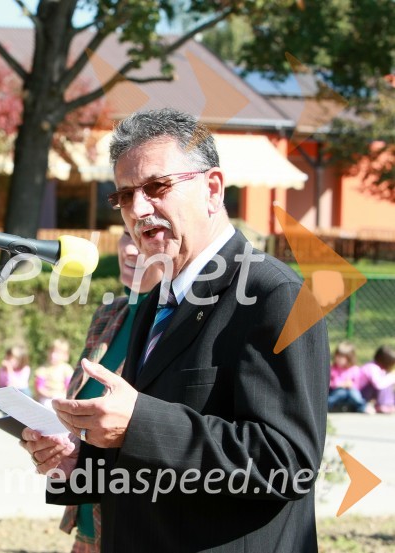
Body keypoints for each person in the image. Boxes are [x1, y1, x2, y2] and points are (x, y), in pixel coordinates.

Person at [22, 108, 330, 552]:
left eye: (156, 187)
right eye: (124, 196)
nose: (138, 209)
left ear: (212, 189)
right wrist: (81, 462)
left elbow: (286, 463)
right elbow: (154, 456)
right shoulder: (157, 300)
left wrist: (137, 422)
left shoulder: (274, 294)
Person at [61, 230, 162, 552]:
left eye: (143, 237)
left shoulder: (172, 323)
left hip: (135, 527)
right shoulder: (109, 313)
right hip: (87, 520)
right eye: (126, 235)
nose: (130, 250)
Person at [328, 342, 368, 413]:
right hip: (337, 392)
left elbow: (358, 384)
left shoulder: (355, 369)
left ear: (349, 358)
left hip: (351, 393)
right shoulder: (333, 369)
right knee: (341, 392)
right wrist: (339, 385)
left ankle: (362, 407)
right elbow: (329, 383)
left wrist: (351, 385)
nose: (339, 359)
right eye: (337, 356)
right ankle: (327, 405)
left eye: (342, 357)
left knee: (354, 393)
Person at [34, 339, 74, 407]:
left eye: (57, 353)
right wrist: (50, 395)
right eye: (51, 351)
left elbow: (69, 387)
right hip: (46, 399)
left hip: (61, 397)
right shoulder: (42, 369)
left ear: (65, 355)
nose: (53, 355)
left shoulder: (67, 369)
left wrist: (60, 395)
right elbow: (39, 388)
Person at [362, 346, 395, 413]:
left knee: (387, 383)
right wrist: (392, 376)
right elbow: (379, 385)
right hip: (363, 393)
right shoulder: (372, 367)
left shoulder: (380, 368)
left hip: (371, 393)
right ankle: (383, 405)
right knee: (385, 383)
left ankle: (388, 404)